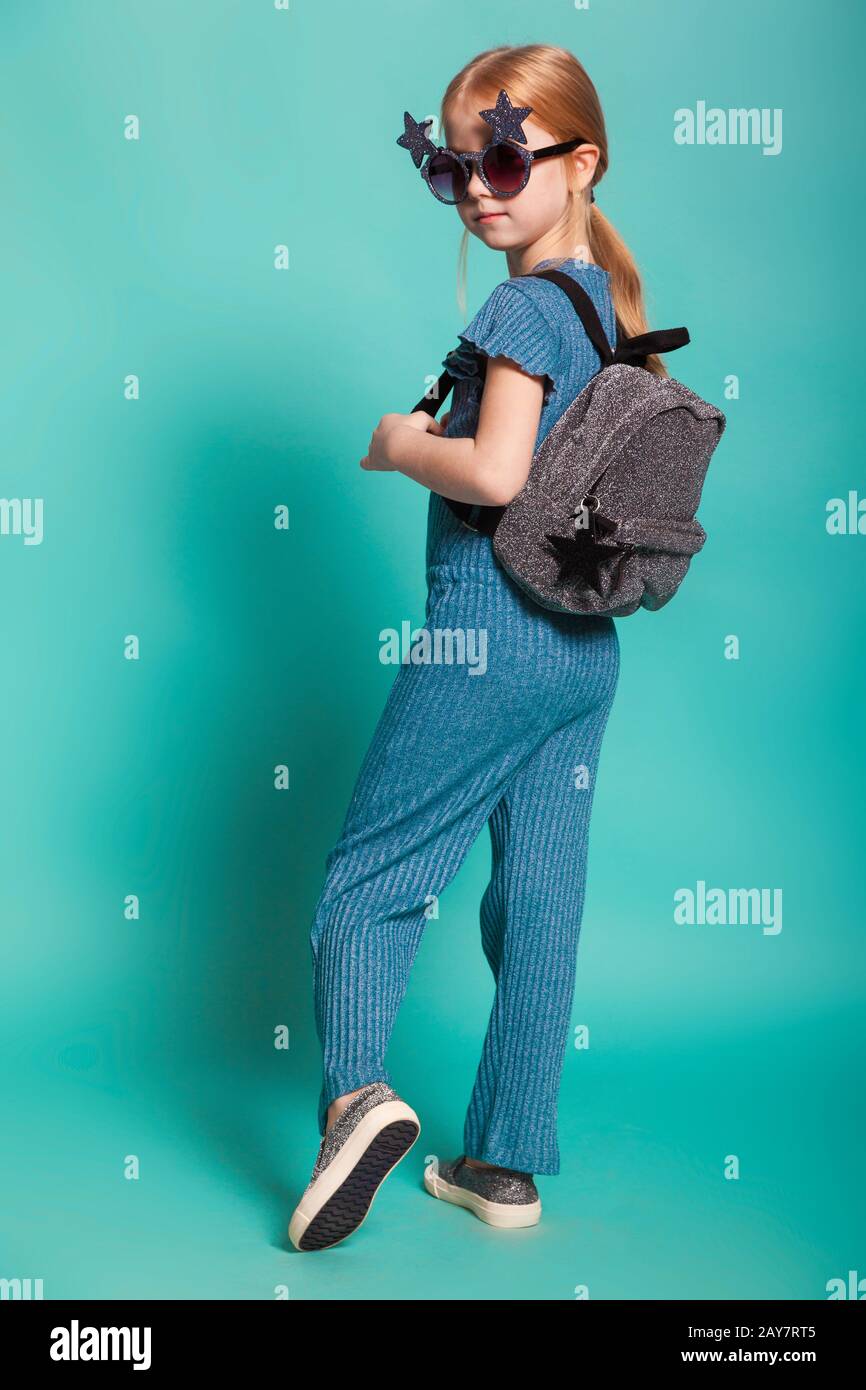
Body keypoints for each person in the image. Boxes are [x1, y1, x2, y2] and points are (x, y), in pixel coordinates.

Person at [289, 42, 668, 1253]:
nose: (483, 188)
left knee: (369, 876)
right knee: (540, 904)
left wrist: (402, 446)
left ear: (580, 161)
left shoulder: (516, 306)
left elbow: (499, 473)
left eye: (506, 157)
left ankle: (357, 1100)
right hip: (582, 652)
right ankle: (502, 1162)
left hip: (488, 638)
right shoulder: (608, 306)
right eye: (456, 170)